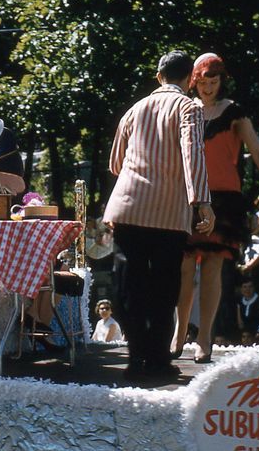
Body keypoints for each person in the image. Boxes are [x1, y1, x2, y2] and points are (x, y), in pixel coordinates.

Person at [103, 50, 215, 382]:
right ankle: (158, 359)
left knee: (131, 286)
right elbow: (192, 154)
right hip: (168, 213)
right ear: (190, 79)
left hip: (128, 207)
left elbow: (114, 163)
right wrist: (202, 202)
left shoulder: (134, 110)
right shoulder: (189, 108)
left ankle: (136, 357)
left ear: (158, 76)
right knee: (165, 288)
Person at [172, 53, 259, 364]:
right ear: (194, 81)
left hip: (224, 199)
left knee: (211, 266)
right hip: (188, 196)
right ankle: (179, 331)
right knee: (182, 267)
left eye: (214, 82)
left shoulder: (233, 112)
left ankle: (204, 336)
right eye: (203, 82)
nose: (208, 88)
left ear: (222, 81)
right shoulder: (184, 109)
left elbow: (258, 151)